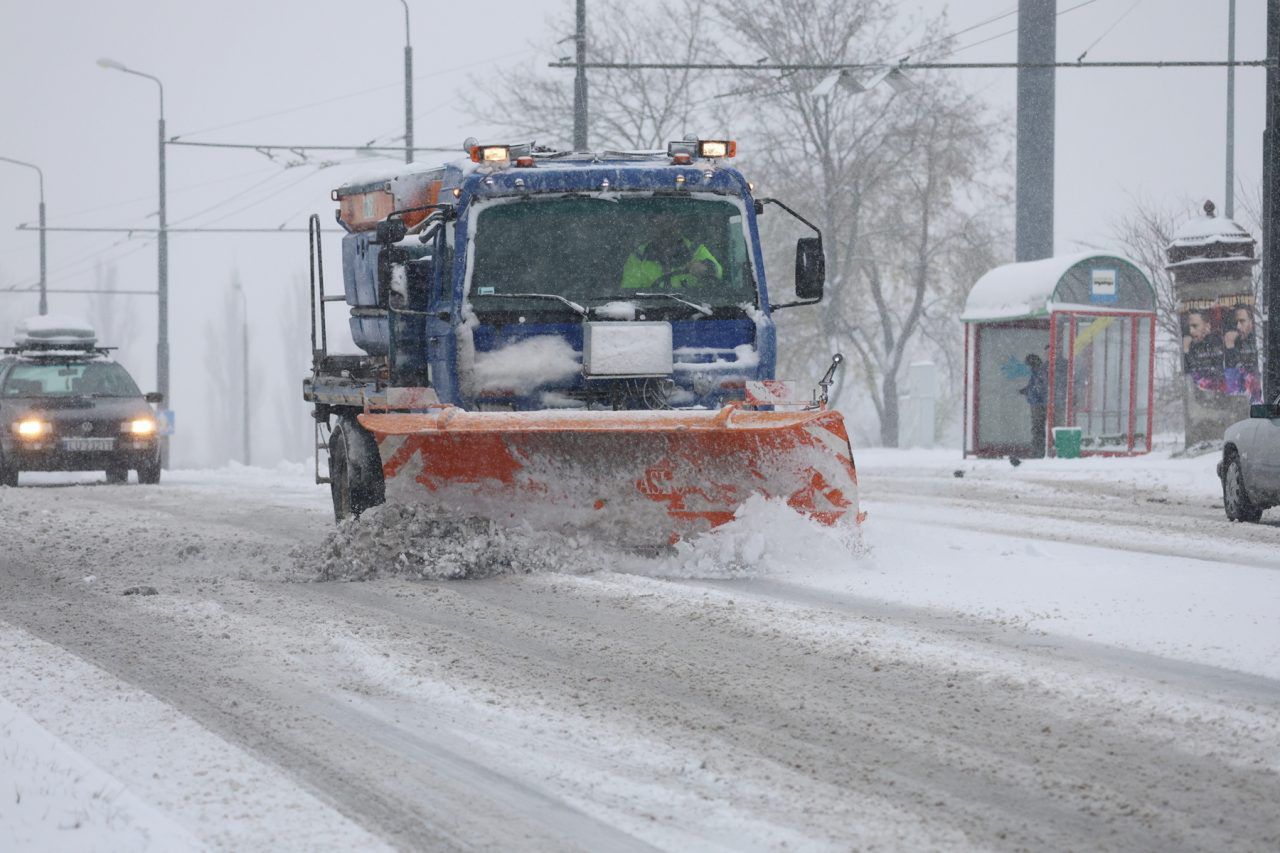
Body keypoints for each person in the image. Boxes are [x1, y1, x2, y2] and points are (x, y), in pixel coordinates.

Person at [620, 213, 723, 290]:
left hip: (694, 311)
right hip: (650, 314)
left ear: (678, 227)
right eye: (659, 227)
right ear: (650, 229)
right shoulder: (639, 257)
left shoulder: (694, 250)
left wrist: (706, 268)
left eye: (668, 226)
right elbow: (629, 293)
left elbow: (718, 271)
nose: (665, 232)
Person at [1224, 304, 1262, 402]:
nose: (1238, 326)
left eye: (1242, 321)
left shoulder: (1258, 342)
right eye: (1236, 322)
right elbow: (1232, 388)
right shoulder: (1232, 343)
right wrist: (1230, 348)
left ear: (1251, 322)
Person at [1182, 310, 1225, 392]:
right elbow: (1188, 374)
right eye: (1189, 327)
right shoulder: (1191, 345)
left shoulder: (1217, 342)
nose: (1191, 331)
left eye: (1195, 326)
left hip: (1218, 394)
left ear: (1207, 326)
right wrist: (1186, 350)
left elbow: (1217, 371)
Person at [1018, 353, 1048, 458]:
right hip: (1038, 402)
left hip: (1038, 404)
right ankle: (1038, 450)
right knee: (1038, 428)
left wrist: (1029, 391)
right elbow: (1036, 386)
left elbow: (1038, 388)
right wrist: (1027, 390)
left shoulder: (1039, 372)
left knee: (1038, 428)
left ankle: (1038, 451)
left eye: (1028, 364)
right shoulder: (1038, 371)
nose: (1028, 367)